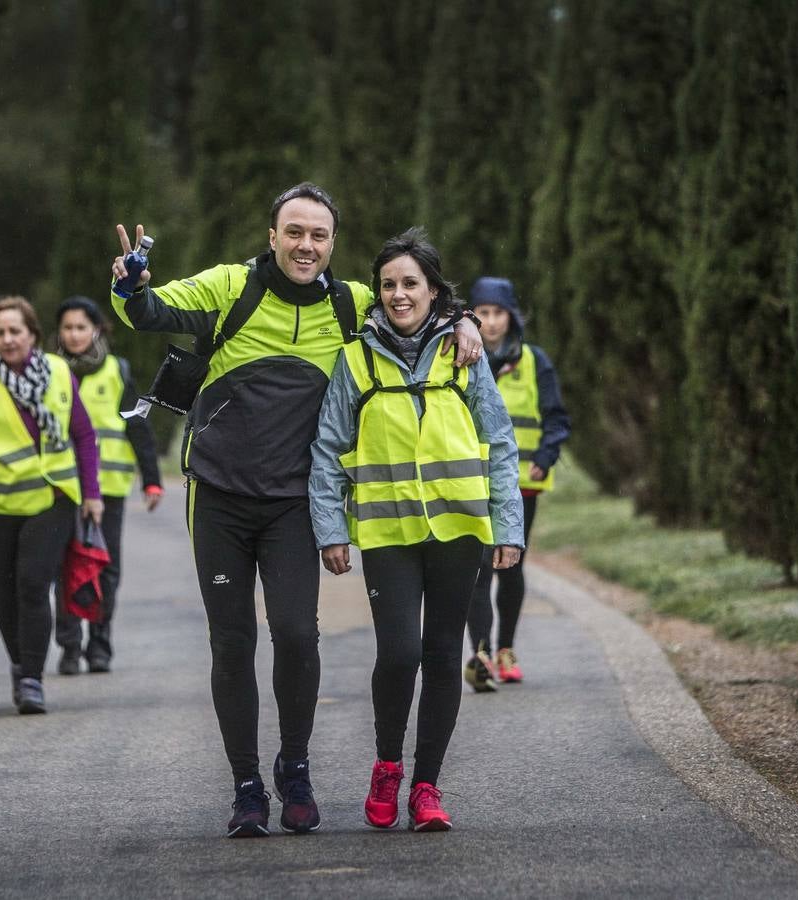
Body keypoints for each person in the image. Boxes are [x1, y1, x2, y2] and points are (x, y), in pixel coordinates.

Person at [107, 182, 483, 837]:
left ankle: (296, 766)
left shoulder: (351, 303)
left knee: (298, 635)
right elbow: (149, 311)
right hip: (219, 496)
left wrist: (466, 321)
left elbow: (418, 305)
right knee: (232, 642)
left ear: (333, 243)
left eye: (319, 235)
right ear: (272, 235)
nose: (305, 245)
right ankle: (247, 788)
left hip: (292, 504)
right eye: (294, 232)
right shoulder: (232, 287)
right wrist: (132, 283)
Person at [310, 228, 523, 832]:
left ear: (434, 292)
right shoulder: (355, 358)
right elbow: (328, 449)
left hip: (459, 531)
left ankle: (426, 786)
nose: (399, 295)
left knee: (440, 654)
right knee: (399, 654)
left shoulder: (466, 352)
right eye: (388, 285)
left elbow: (500, 442)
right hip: (388, 535)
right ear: (376, 293)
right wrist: (331, 529)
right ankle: (386, 766)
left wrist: (508, 525)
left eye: (411, 284)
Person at [0, 296, 102, 715]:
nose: (9, 339)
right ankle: (19, 662)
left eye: (16, 331)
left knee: (33, 584)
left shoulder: (58, 372)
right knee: (6, 591)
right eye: (0, 333)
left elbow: (83, 436)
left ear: (32, 334)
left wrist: (92, 494)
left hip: (51, 497)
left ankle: (32, 678)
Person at [463, 277, 570, 690]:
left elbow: (556, 417)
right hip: (472, 481)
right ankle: (482, 653)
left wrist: (546, 457)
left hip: (522, 484)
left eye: (498, 313)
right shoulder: (461, 356)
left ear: (511, 317)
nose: (491, 322)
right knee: (478, 570)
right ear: (473, 315)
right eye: (484, 313)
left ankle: (506, 648)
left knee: (511, 566)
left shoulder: (533, 361)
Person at [53, 296, 163, 675]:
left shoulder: (117, 371)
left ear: (97, 330)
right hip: (62, 487)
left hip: (109, 488)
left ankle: (99, 643)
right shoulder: (49, 372)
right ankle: (68, 646)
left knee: (105, 565)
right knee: (64, 566)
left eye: (81, 327)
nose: (74, 334)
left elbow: (139, 426)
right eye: (67, 328)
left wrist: (151, 481)